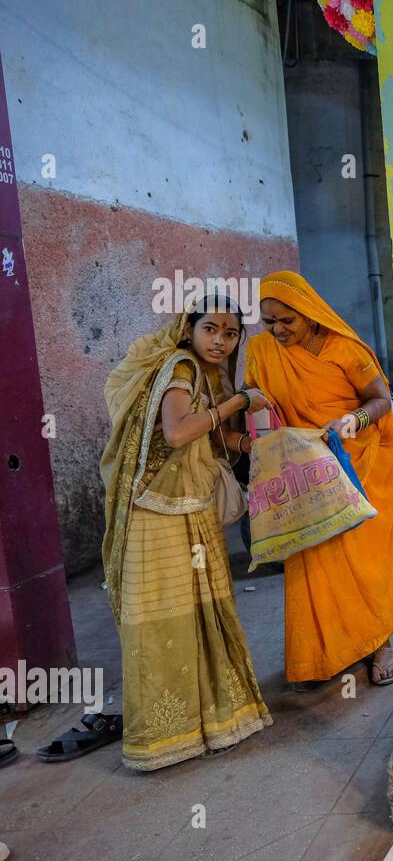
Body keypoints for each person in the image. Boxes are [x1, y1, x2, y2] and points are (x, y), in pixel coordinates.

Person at [93, 293, 273, 770]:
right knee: (165, 617)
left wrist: (252, 441)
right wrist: (240, 401)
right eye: (210, 329)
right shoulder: (182, 367)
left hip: (186, 503)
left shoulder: (205, 373)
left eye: (230, 333)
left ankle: (206, 724)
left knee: (199, 609)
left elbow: (207, 433)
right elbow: (176, 434)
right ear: (188, 328)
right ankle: (164, 736)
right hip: (159, 511)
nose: (219, 340)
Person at [245, 272, 393, 688]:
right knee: (314, 556)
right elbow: (255, 400)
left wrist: (354, 418)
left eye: (287, 321)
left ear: (310, 316)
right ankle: (323, 653)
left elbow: (382, 401)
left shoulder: (345, 349)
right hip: (305, 469)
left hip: (360, 460)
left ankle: (379, 642)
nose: (278, 330)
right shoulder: (261, 351)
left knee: (363, 556)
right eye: (269, 322)